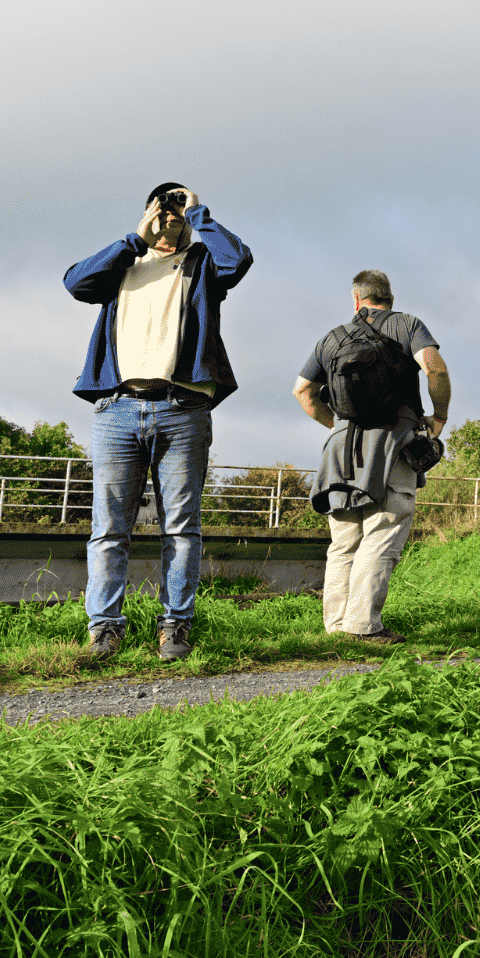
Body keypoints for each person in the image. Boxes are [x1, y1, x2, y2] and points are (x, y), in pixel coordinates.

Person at [64, 183, 253, 662]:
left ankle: (175, 628)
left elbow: (239, 260)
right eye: (161, 205)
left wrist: (200, 211)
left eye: (176, 206)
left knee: (181, 528)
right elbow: (75, 283)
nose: (169, 213)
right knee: (109, 529)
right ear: (147, 212)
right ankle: (104, 630)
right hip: (118, 409)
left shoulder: (203, 263)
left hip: (182, 408)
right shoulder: (123, 263)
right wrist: (136, 235)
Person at [294, 268, 449, 645]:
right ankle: (363, 627)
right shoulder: (407, 325)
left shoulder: (330, 339)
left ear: (356, 299)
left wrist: (336, 425)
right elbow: (435, 368)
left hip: (341, 449)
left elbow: (302, 392)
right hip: (392, 444)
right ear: (389, 298)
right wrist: (439, 416)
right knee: (382, 533)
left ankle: (336, 627)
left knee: (345, 541)